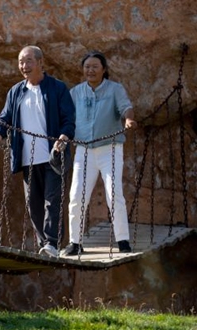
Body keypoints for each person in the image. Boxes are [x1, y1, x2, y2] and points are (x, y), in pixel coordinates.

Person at [0, 46, 75, 257]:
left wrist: (63, 137)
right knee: (33, 205)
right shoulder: (15, 92)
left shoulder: (57, 88)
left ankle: (52, 243)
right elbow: (4, 120)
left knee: (52, 201)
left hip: (53, 156)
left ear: (41, 62)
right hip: (27, 159)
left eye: (28, 61)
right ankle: (45, 245)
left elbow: (68, 119)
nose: (24, 66)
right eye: (21, 62)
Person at [63, 51, 137, 256]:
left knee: (114, 194)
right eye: (87, 67)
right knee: (76, 195)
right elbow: (67, 117)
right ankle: (75, 242)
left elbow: (126, 107)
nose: (91, 70)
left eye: (95, 66)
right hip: (83, 150)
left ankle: (123, 240)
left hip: (109, 148)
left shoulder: (115, 89)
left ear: (104, 69)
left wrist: (129, 119)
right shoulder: (76, 92)